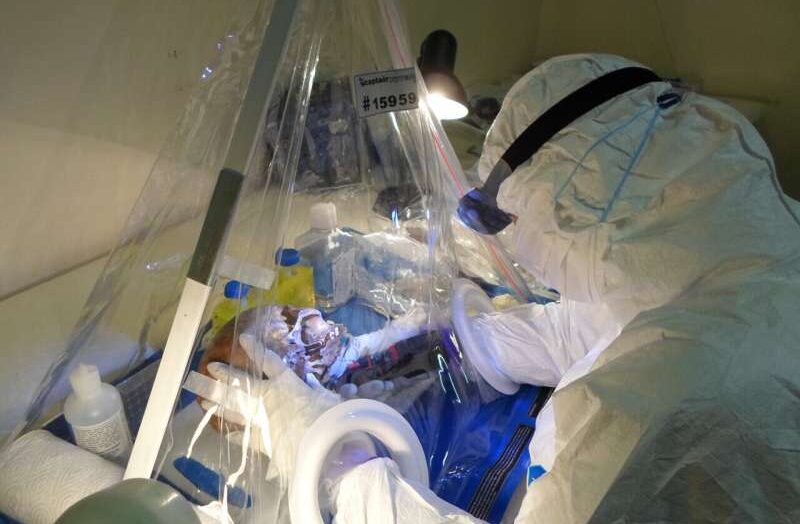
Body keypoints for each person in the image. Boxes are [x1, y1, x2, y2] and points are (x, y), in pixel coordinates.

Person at [211, 53, 800, 522]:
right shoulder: (723, 255)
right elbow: (585, 328)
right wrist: (435, 346)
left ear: (578, 205)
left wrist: (336, 463)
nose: (507, 242)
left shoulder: (660, 407)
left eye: (503, 218)